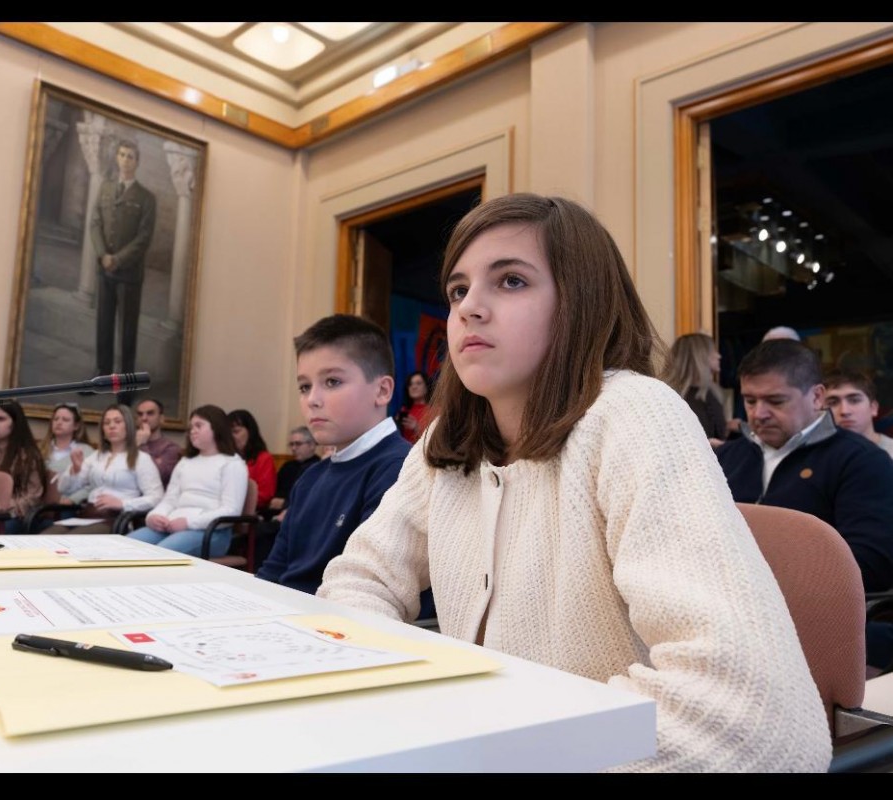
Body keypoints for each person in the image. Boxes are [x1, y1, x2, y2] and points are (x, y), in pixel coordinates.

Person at [316, 194, 830, 772]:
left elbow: (757, 722)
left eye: (510, 281)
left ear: (583, 304)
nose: (468, 310)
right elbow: (359, 581)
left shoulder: (633, 414)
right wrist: (401, 699)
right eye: (458, 290)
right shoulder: (446, 442)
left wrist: (504, 753)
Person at [715, 339, 893, 594]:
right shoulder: (727, 457)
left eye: (775, 401)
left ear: (817, 397)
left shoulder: (862, 460)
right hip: (723, 606)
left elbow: (871, 563)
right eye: (750, 401)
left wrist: (760, 579)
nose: (758, 414)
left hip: (815, 612)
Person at [255, 314, 411, 596]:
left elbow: (366, 591)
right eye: (304, 386)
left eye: (332, 382)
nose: (312, 399)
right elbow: (273, 571)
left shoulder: (400, 470)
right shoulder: (311, 477)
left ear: (382, 390)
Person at [127, 405, 248, 556]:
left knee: (157, 554)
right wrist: (154, 516)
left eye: (199, 425)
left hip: (211, 533)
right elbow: (170, 500)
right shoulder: (186, 462)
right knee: (125, 546)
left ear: (217, 428)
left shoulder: (233, 464)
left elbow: (231, 510)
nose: (193, 431)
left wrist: (189, 523)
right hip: (172, 526)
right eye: (191, 427)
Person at [90, 139, 157, 385]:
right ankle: (102, 376)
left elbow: (144, 238)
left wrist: (117, 259)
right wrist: (102, 255)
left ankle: (126, 383)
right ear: (116, 158)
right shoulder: (106, 189)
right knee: (104, 326)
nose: (125, 160)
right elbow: (95, 223)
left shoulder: (146, 198)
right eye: (122, 155)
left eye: (130, 156)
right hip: (105, 270)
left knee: (127, 331)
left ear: (137, 162)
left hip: (128, 274)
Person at [46, 403, 163, 534]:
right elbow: (64, 488)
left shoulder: (141, 459)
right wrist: (75, 470)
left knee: (70, 543)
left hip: (116, 519)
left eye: (117, 422)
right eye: (107, 423)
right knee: (45, 538)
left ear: (128, 426)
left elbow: (156, 497)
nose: (111, 426)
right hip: (87, 515)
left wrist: (123, 504)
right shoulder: (96, 456)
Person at [0, 400, 46, 534]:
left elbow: (34, 495)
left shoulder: (28, 456)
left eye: (0, 419)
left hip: (12, 515)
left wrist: (7, 506)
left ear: (15, 423)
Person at [661, 332, 728, 447]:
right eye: (713, 351)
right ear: (699, 355)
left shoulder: (710, 392)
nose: (719, 356)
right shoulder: (673, 398)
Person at [823, 369, 893, 459]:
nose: (844, 411)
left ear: (873, 408)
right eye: (833, 403)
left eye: (854, 400)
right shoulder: (813, 458)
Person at [38, 402, 95, 504]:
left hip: (68, 507)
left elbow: (92, 484)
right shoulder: (39, 449)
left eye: (65, 420)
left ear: (76, 426)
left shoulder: (87, 452)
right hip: (39, 506)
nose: (59, 422)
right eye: (56, 419)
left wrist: (72, 499)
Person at [264, 426, 320, 519]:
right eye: (291, 444)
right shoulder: (287, 466)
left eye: (298, 444)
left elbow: (312, 500)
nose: (293, 448)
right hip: (275, 512)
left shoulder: (318, 467)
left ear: (312, 445)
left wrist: (285, 504)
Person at [227, 409, 277, 512]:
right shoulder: (225, 458)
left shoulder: (263, 458)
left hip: (249, 513)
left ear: (250, 432)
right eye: (228, 433)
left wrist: (233, 501)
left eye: (236, 431)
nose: (231, 437)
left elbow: (265, 495)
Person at [134, 396, 182, 486]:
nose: (144, 418)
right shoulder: (127, 444)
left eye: (150, 413)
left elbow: (157, 475)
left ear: (161, 418)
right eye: (140, 414)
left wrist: (142, 445)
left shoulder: (171, 448)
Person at [395, 371, 436, 444]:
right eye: (410, 384)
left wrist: (417, 428)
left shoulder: (436, 410)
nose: (414, 387)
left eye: (418, 383)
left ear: (427, 387)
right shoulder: (404, 411)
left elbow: (437, 440)